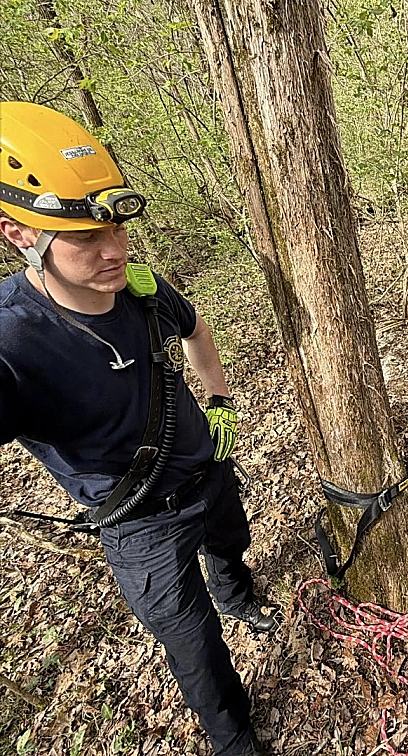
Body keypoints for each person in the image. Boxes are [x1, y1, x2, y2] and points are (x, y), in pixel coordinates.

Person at [0, 101, 275, 756]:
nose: (114, 251)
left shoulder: (142, 290)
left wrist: (221, 402)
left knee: (231, 545)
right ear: (17, 234)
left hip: (208, 469)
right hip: (138, 525)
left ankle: (236, 593)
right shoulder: (14, 342)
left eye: (116, 229)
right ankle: (236, 741)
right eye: (86, 238)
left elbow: (198, 329)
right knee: (197, 652)